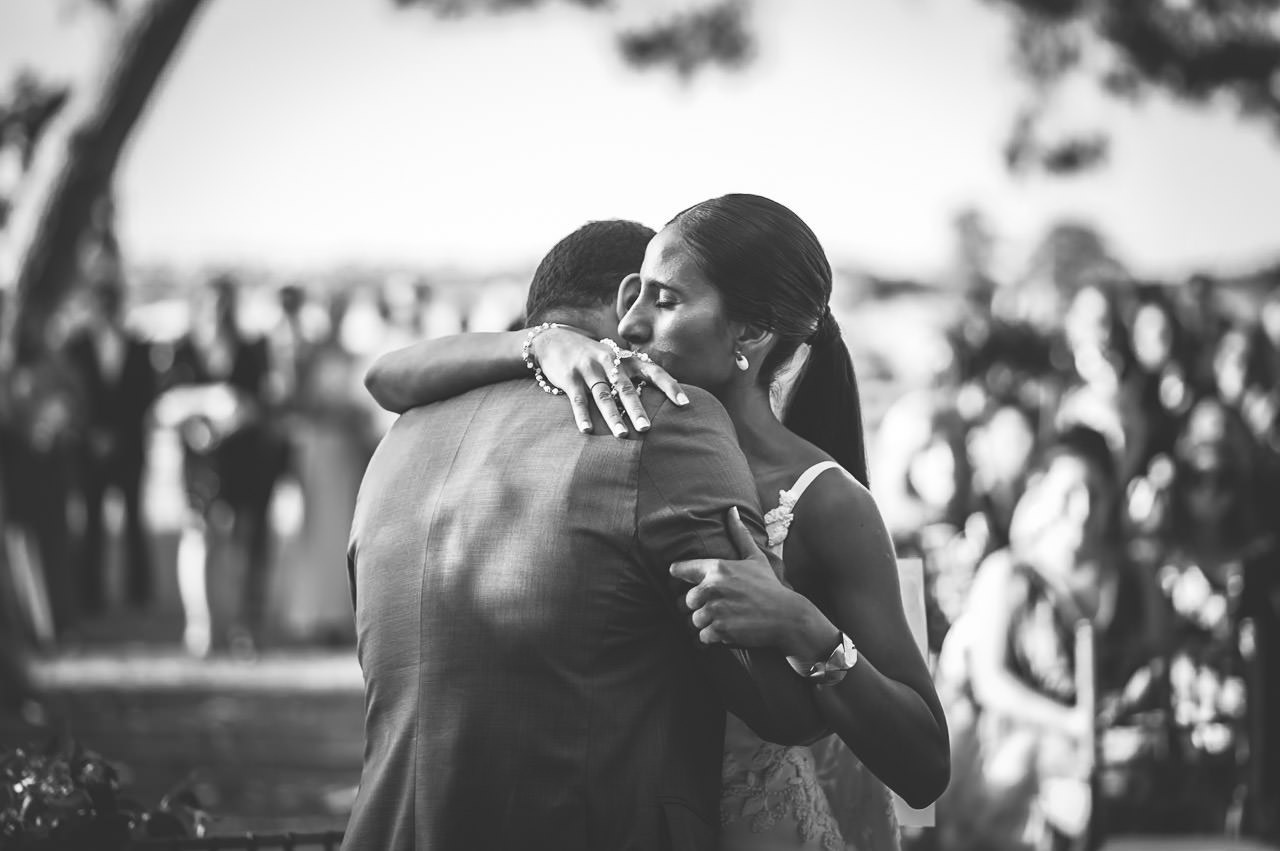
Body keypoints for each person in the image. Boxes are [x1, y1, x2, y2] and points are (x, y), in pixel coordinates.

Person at [365, 195, 950, 849]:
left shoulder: (829, 502)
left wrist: (804, 627)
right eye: (634, 294)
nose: (630, 324)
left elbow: (924, 767)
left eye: (664, 302)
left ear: (751, 333)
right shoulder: (621, 446)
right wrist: (542, 342)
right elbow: (387, 375)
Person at [933, 426, 1164, 851]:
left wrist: (1133, 696)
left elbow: (1156, 658)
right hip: (1016, 763)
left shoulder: (1135, 576)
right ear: (1043, 490)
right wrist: (1072, 723)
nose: (1083, 509)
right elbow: (991, 680)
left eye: (1096, 493)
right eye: (1072, 491)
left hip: (1115, 759)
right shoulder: (1007, 573)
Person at [158, 275, 289, 657]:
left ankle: (244, 625)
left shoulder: (252, 349)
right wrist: (204, 408)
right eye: (210, 305)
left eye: (223, 305)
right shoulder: (181, 351)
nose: (216, 313)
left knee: (245, 546)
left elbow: (265, 403)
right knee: (199, 540)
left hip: (246, 460)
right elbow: (162, 406)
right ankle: (201, 626)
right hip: (200, 461)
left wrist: (239, 412)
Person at [64, 272, 159, 613]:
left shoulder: (138, 345)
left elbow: (145, 395)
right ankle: (90, 595)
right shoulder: (75, 346)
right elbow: (71, 398)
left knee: (134, 521)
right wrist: (92, 433)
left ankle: (138, 594)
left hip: (129, 446)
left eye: (111, 302)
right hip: (89, 449)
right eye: (100, 303)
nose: (106, 309)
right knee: (91, 523)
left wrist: (118, 434)